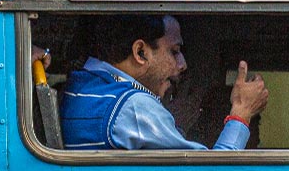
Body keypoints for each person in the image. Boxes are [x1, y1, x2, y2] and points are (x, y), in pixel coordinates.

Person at [59, 14, 269, 151]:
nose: (183, 64)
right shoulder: (133, 107)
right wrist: (241, 113)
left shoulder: (82, 84)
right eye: (174, 51)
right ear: (140, 52)